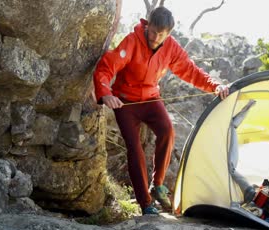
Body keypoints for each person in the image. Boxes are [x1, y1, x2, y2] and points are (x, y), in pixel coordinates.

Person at [93, 6, 229, 215]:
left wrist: (215, 86)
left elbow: (191, 71)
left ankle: (157, 186)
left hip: (150, 99)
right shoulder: (132, 41)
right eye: (154, 32)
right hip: (125, 102)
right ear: (148, 25)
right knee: (135, 149)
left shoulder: (172, 48)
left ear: (169, 33)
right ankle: (145, 204)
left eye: (162, 34)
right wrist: (105, 93)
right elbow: (106, 67)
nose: (156, 38)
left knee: (167, 131)